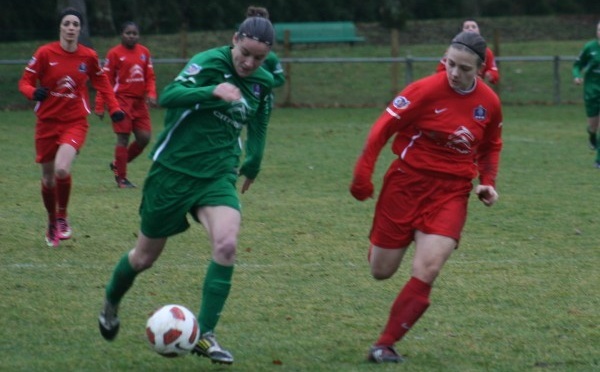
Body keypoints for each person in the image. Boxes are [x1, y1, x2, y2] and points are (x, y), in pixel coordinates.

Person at [97, 16, 276, 366]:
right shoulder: (208, 62)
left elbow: (259, 122)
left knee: (226, 243)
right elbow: (170, 96)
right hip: (173, 172)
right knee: (144, 258)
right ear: (234, 39)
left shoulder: (262, 82)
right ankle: (110, 304)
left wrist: (253, 162)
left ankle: (205, 334)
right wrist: (211, 92)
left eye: (259, 58)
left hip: (218, 174)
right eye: (245, 53)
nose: (250, 64)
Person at [350, 31, 503, 363]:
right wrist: (363, 174)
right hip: (406, 185)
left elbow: (491, 144)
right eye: (450, 64)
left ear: (479, 69)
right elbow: (381, 130)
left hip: (451, 193)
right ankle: (382, 244)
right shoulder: (423, 90)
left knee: (428, 267)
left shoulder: (489, 102)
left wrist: (487, 181)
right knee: (381, 270)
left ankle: (384, 344)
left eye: (464, 68)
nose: (454, 73)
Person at [18, 7, 124, 248]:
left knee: (61, 170)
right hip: (46, 123)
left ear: (80, 28)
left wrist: (114, 107)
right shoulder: (44, 53)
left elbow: (102, 82)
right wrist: (33, 92)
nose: (71, 28)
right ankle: (51, 221)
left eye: (75, 24)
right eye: (67, 23)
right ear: (60, 27)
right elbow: (24, 81)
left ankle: (63, 217)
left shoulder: (87, 56)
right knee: (47, 178)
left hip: (74, 122)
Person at [95, 21, 158, 188]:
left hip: (139, 103)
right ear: (121, 34)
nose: (131, 36)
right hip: (121, 101)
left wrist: (151, 93)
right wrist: (100, 105)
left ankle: (118, 164)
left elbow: (150, 77)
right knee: (123, 138)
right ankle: (121, 178)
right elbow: (105, 81)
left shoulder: (144, 52)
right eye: (128, 33)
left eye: (134, 33)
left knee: (144, 138)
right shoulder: (114, 54)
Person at [436, 19, 500, 85]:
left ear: (479, 30)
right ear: (462, 31)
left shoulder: (487, 52)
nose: (470, 29)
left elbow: (494, 72)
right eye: (467, 27)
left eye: (473, 27)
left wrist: (490, 75)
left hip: (476, 89)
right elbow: (440, 70)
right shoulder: (452, 50)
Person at [572, 20, 600, 164]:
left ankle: (598, 160)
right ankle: (592, 136)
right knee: (593, 126)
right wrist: (577, 76)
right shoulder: (590, 47)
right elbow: (577, 65)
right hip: (592, 92)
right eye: (599, 30)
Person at [245, 6, 285, 90]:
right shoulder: (236, 55)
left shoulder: (271, 57)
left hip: (264, 101)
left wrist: (263, 83)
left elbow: (280, 79)